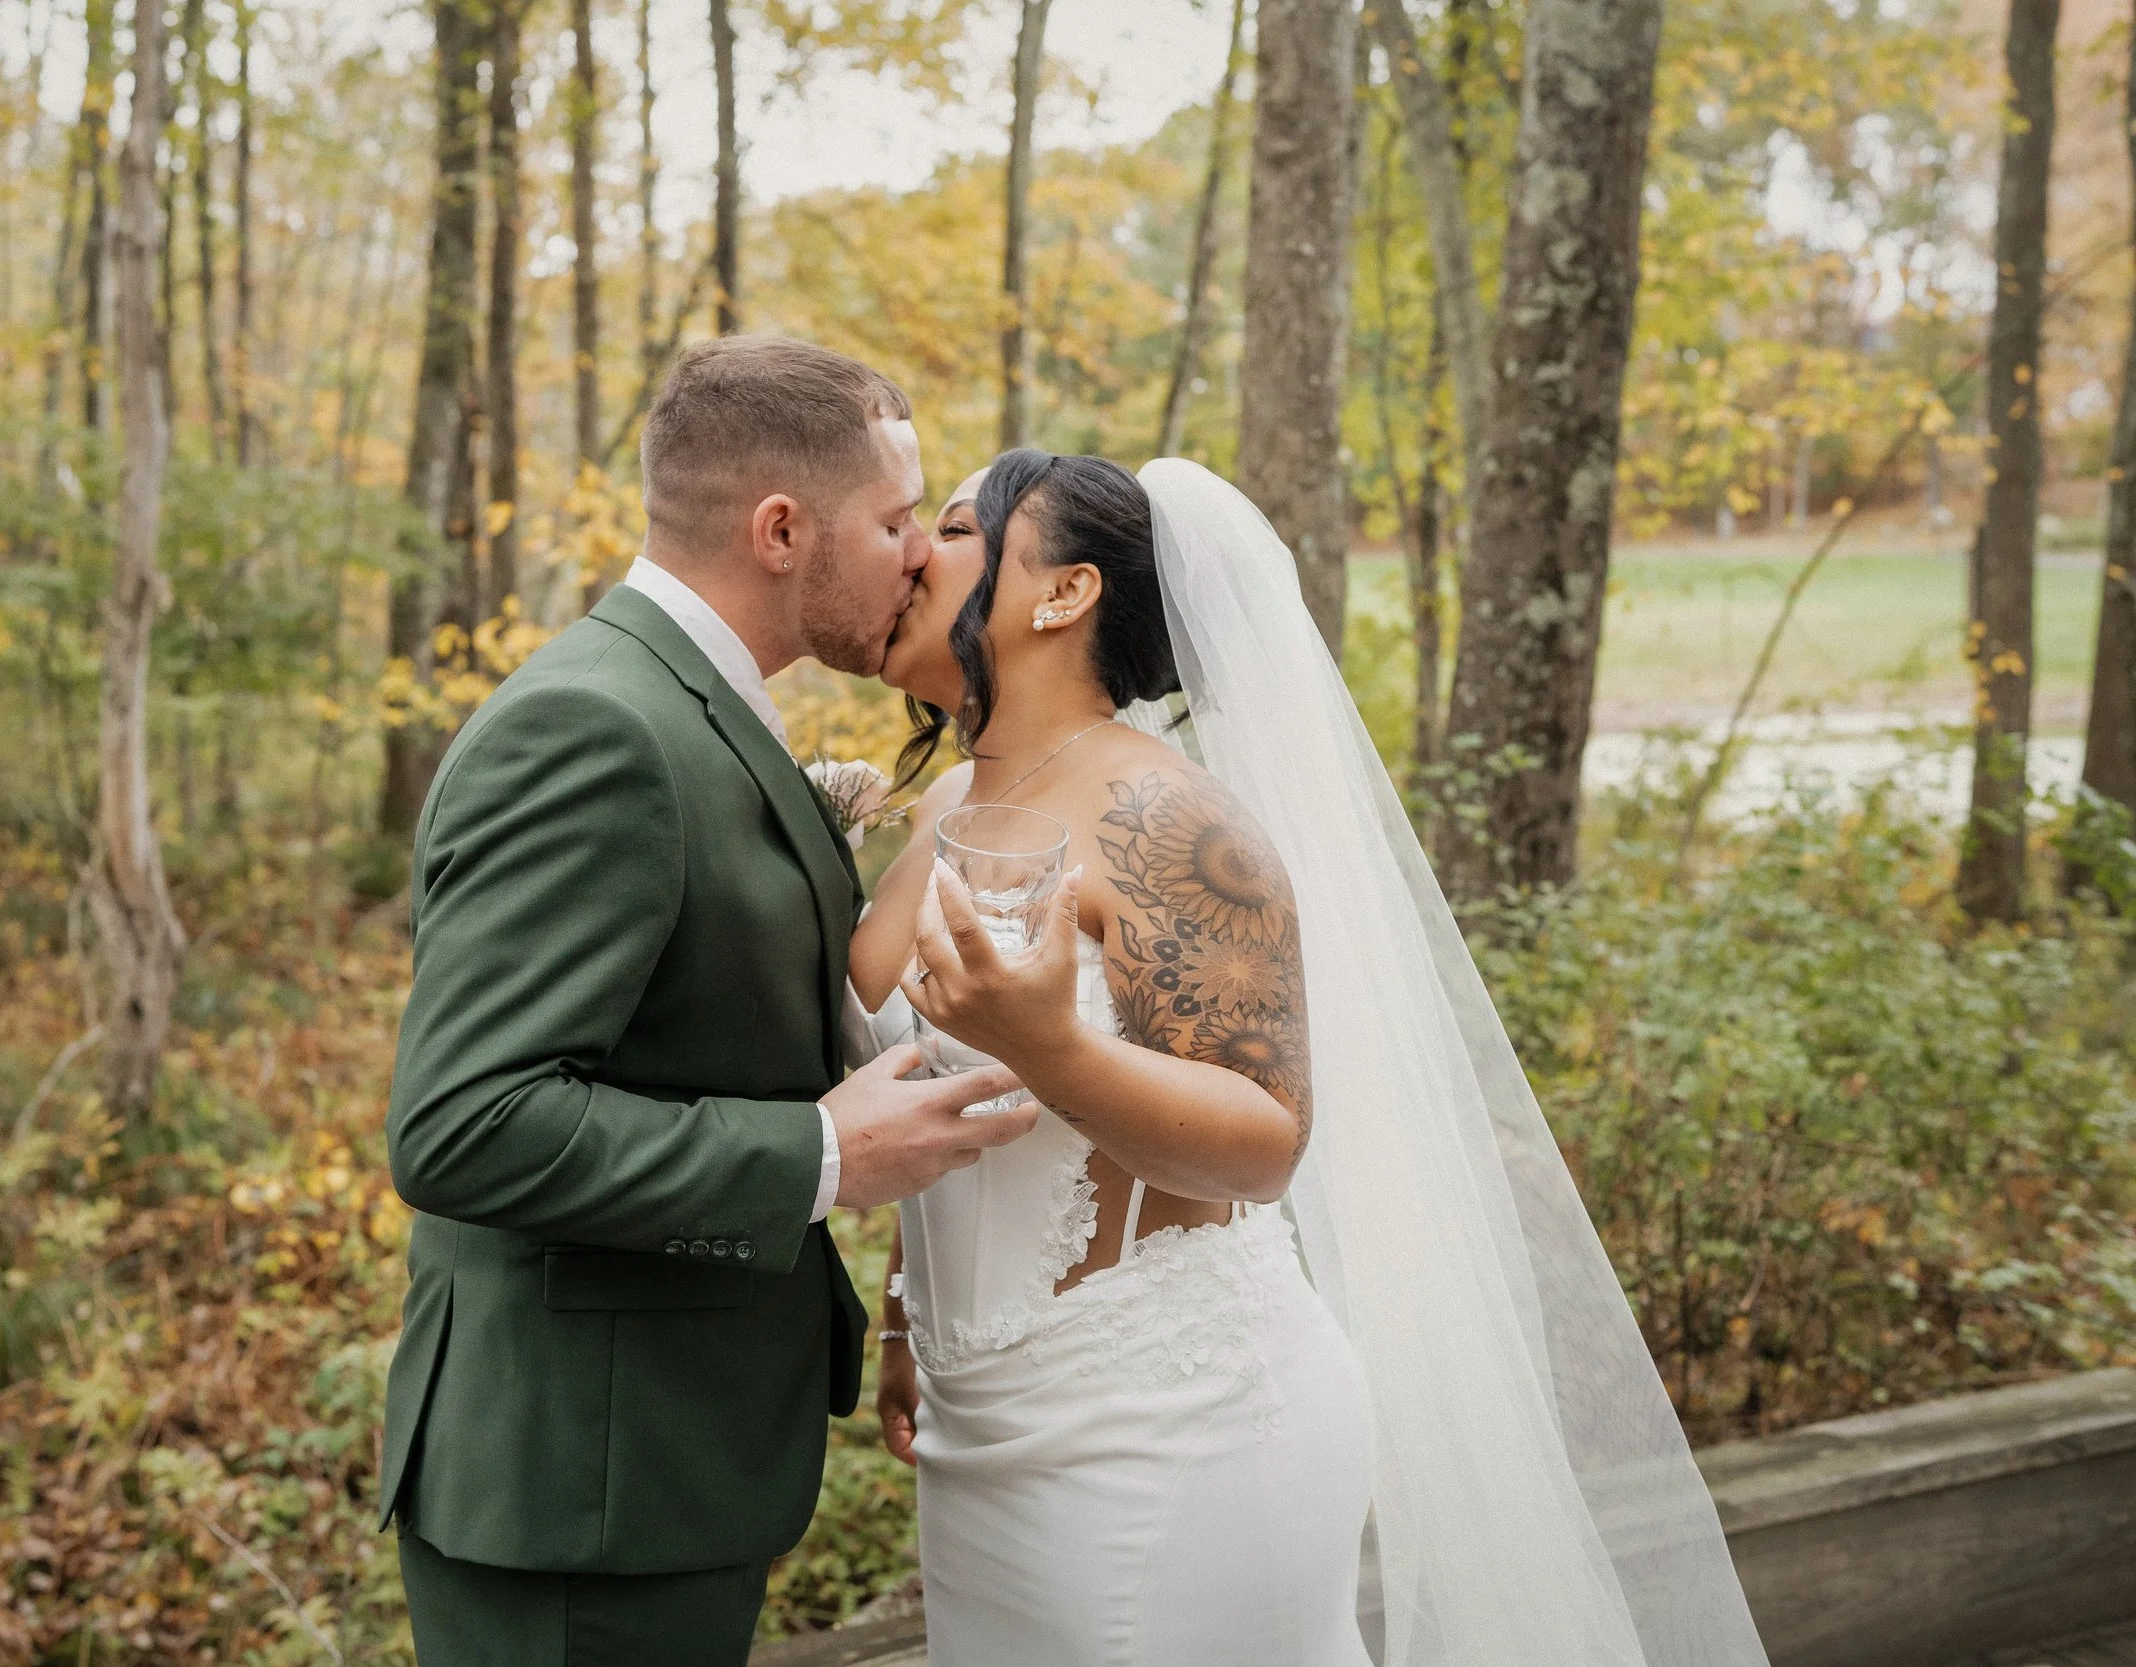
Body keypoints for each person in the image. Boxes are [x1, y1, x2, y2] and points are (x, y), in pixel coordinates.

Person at [853, 451, 1772, 1667]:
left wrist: (1052, 1045)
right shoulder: (939, 812)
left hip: (1166, 1429)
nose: (917, 550)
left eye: (961, 528)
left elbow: (1264, 1139)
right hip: (985, 1431)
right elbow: (935, 1098)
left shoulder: (1165, 818)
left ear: (1062, 594)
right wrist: (911, 1316)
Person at [377, 336, 1038, 1667]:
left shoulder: (702, 712)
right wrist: (828, 1152)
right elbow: (462, 1122)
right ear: (782, 528)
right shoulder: (595, 727)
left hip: (661, 1473)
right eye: (896, 520)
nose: (922, 555)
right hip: (574, 1505)